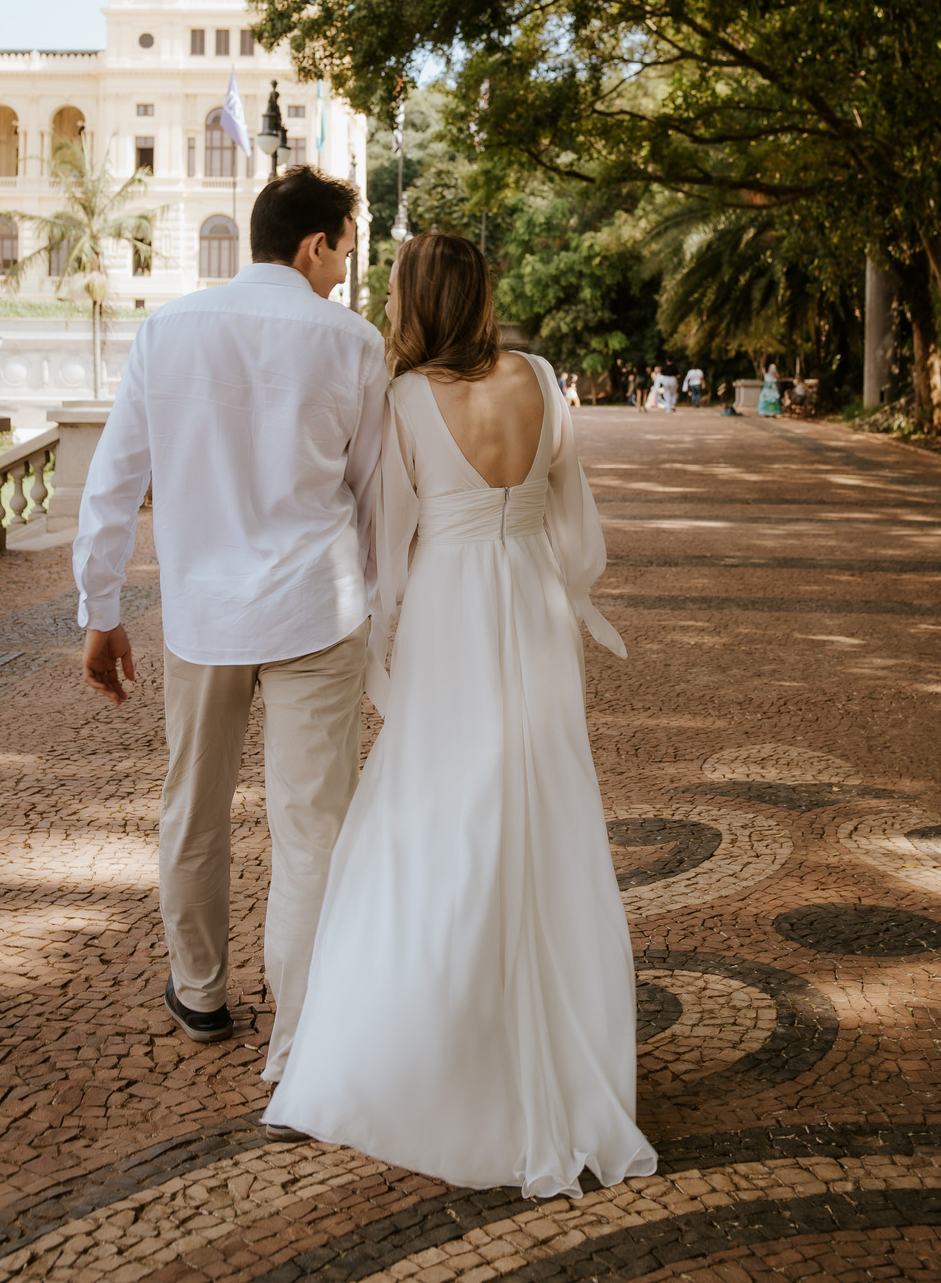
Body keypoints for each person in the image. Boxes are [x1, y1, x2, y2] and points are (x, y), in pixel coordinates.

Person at [266, 233, 656, 1200]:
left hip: (451, 608)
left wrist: (375, 640)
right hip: (531, 604)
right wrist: (554, 576)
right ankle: (554, 1043)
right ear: (480, 295)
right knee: (542, 810)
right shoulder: (540, 377)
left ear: (417, 300)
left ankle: (438, 1053)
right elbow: (575, 520)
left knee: (438, 813)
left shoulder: (403, 398)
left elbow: (388, 541)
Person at [73, 167, 386, 1090]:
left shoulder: (167, 330)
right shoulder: (352, 340)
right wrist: (382, 604)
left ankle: (201, 991)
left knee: (194, 806)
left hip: (202, 614)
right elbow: (376, 497)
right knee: (313, 826)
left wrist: (101, 611)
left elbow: (112, 484)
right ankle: (306, 1026)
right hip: (317, 609)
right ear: (314, 245)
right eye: (345, 249)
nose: (345, 267)